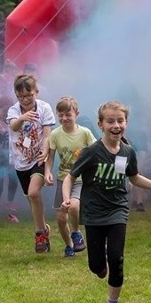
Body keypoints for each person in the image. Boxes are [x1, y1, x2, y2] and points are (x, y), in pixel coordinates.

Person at [62, 101, 151, 303]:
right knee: (96, 266)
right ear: (101, 124)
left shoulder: (127, 152)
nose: (116, 125)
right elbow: (71, 176)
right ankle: (99, 260)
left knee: (117, 258)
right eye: (110, 121)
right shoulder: (91, 152)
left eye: (120, 121)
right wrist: (66, 198)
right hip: (93, 213)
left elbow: (134, 177)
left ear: (126, 123)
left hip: (117, 211)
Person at [6, 74, 56, 253]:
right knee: (31, 198)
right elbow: (14, 127)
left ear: (37, 92)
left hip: (39, 157)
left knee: (34, 193)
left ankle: (39, 233)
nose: (25, 100)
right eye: (21, 96)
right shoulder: (13, 111)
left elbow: (47, 132)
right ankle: (44, 230)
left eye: (29, 95)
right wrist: (23, 118)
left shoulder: (44, 108)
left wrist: (45, 150)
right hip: (21, 160)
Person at [46, 96, 95, 257]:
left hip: (80, 179)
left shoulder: (85, 133)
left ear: (76, 114)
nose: (64, 118)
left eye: (68, 114)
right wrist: (47, 172)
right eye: (60, 115)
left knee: (74, 206)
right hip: (63, 178)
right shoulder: (55, 134)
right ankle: (69, 245)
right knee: (61, 218)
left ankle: (76, 232)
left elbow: (96, 151)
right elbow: (51, 157)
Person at [0, 96, 20, 222]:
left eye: (9, 109)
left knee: (13, 182)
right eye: (4, 109)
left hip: (12, 157)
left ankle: (10, 213)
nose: (6, 112)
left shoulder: (15, 121)